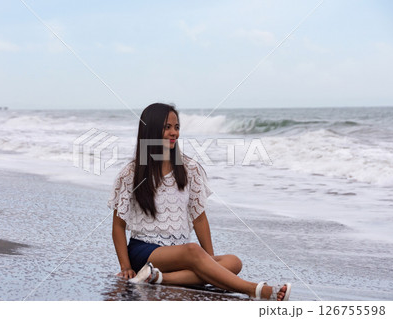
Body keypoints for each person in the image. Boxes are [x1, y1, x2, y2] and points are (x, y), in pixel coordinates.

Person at [108, 103, 291, 300]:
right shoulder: (131, 173)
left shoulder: (189, 169)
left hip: (181, 253)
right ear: (150, 130)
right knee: (194, 251)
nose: (174, 133)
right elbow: (118, 226)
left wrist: (209, 261)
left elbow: (200, 219)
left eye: (177, 127)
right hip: (145, 251)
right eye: (167, 127)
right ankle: (255, 290)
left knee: (233, 262)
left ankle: (160, 278)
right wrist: (126, 267)